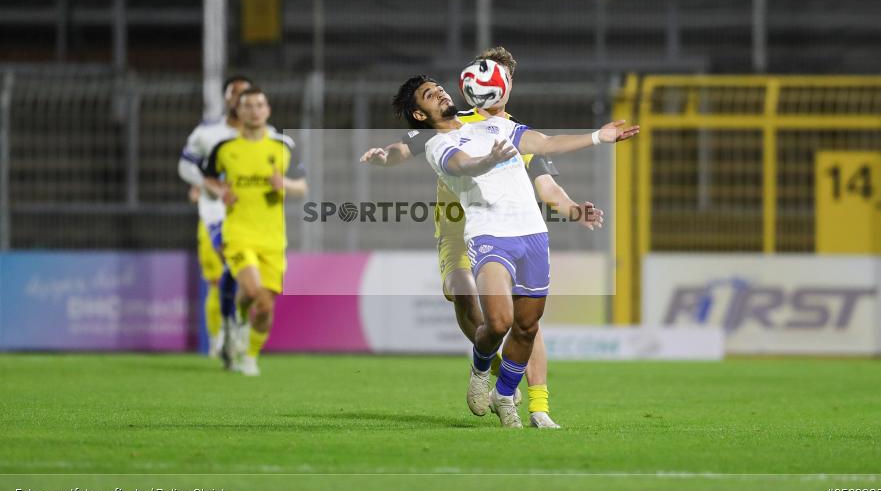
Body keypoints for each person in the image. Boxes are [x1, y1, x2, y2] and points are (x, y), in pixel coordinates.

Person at [360, 47, 604, 429]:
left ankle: (538, 407)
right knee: (464, 293)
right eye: (489, 75)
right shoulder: (458, 122)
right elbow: (405, 146)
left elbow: (548, 188)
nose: (496, 84)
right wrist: (383, 155)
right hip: (458, 225)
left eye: (503, 77)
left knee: (526, 322)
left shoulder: (514, 132)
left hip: (505, 226)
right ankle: (487, 366)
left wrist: (574, 209)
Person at [203, 88, 308, 376]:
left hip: (272, 238)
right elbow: (208, 179)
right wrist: (220, 190)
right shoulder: (225, 148)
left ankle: (249, 355)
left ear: (268, 110)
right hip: (238, 232)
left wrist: (283, 184)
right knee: (250, 289)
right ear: (238, 112)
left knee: (263, 306)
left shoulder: (283, 146)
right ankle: (236, 321)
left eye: (260, 104)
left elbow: (302, 187)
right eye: (248, 106)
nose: (254, 110)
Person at [178, 75, 252, 363]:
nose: (241, 100)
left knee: (247, 280)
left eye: (246, 95)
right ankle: (218, 338)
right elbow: (185, 165)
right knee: (216, 279)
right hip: (214, 215)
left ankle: (237, 332)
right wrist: (206, 182)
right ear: (227, 99)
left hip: (250, 218)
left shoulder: (263, 135)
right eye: (236, 94)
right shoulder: (207, 133)